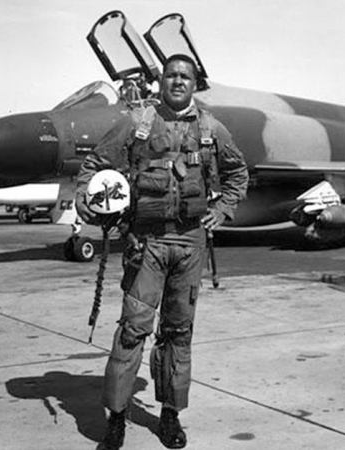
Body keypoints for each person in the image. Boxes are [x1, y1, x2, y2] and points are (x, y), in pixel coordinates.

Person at [75, 54, 248, 449]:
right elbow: (95, 163)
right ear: (161, 81)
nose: (178, 81)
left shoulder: (212, 128)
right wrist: (87, 199)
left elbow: (238, 173)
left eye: (185, 76)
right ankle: (117, 418)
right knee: (133, 329)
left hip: (190, 243)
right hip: (146, 243)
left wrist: (223, 210)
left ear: (194, 84)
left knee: (178, 331)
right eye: (171, 75)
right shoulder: (137, 123)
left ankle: (170, 414)